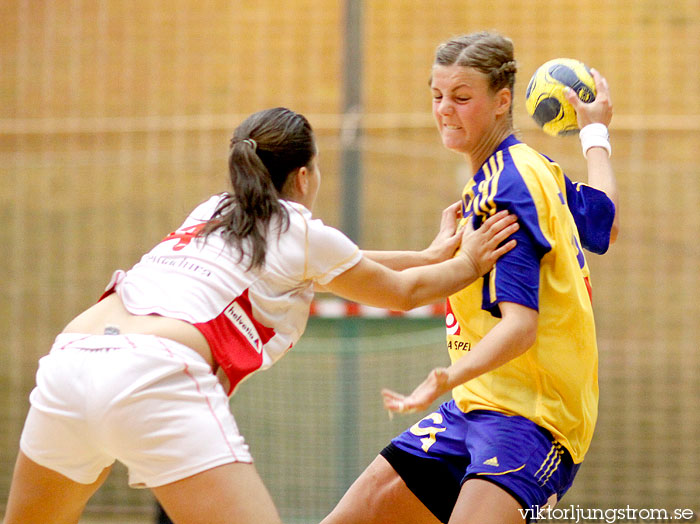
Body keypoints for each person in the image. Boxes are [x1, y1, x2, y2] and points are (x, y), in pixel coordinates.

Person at [2, 107, 520, 524]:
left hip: (71, 361)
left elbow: (339, 263)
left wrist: (432, 254)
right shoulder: (297, 228)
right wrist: (470, 260)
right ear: (304, 174)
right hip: (152, 372)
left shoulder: (213, 212)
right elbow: (403, 292)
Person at [321, 32, 618, 524]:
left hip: (532, 418)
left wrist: (445, 376)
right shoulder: (528, 166)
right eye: (437, 96)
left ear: (503, 102)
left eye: (461, 98)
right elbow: (602, 220)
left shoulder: (509, 186)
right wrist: (595, 134)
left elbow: (520, 326)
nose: (444, 110)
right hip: (475, 406)